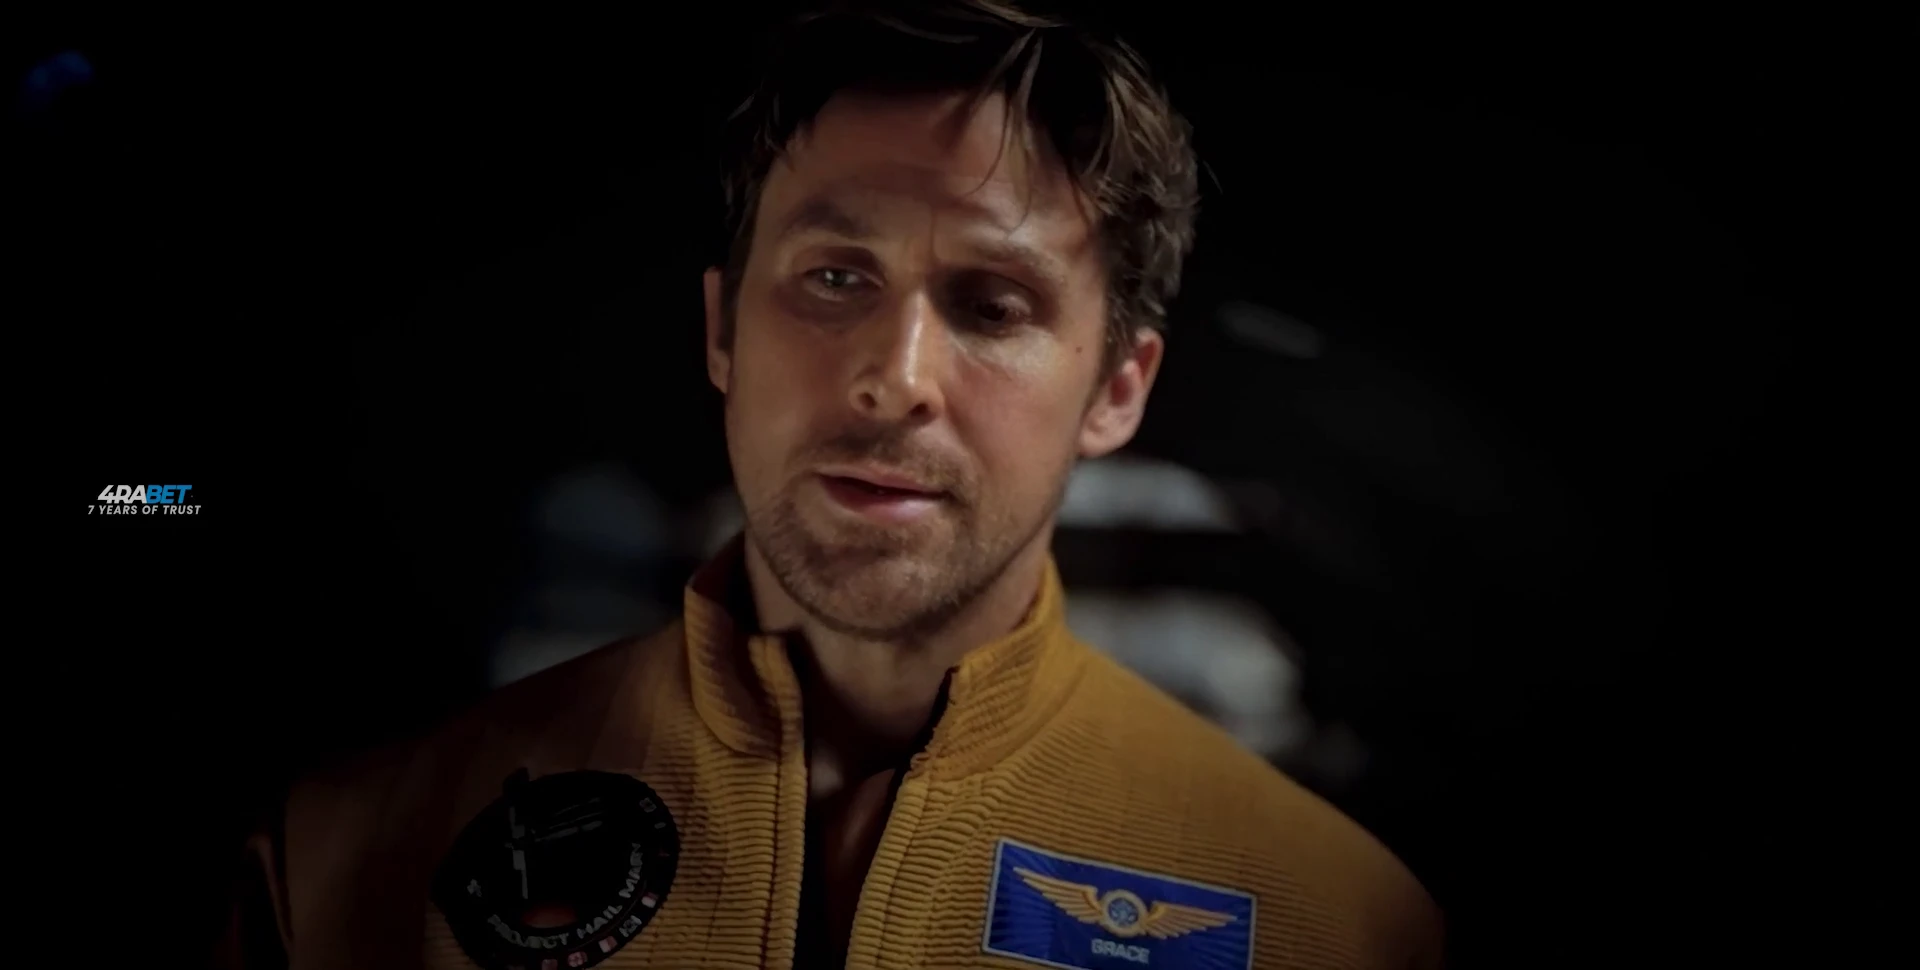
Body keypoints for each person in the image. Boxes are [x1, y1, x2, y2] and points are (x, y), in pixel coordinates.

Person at [220, 2, 1443, 967]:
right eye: (835, 278)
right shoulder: (341, 864)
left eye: (992, 305)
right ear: (722, 331)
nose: (893, 380)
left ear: (1117, 390)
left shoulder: (1338, 927)